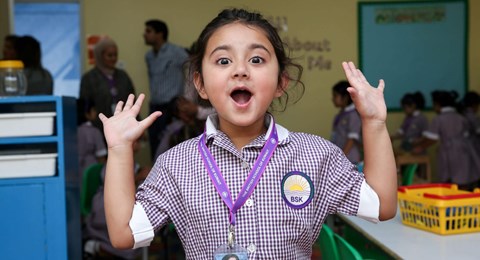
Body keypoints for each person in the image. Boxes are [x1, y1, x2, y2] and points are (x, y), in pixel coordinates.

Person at [100, 8, 397, 259]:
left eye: (256, 59)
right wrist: (119, 150)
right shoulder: (175, 164)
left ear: (281, 82)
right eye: (223, 60)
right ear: (200, 84)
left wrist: (374, 123)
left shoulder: (316, 155)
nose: (240, 70)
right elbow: (124, 234)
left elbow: (382, 206)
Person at [413, 90, 480, 190]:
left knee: (450, 178)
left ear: (437, 105)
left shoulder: (439, 119)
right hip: (465, 150)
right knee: (464, 176)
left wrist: (420, 147)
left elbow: (432, 139)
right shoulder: (460, 117)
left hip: (449, 151)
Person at [143, 19, 189, 160]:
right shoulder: (149, 56)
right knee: (155, 147)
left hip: (171, 109)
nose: (144, 34)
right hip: (154, 106)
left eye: (148, 31)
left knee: (170, 148)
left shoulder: (177, 52)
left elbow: (194, 63)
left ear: (160, 34)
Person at [79, 37, 136, 133]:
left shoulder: (123, 75)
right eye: (109, 55)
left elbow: (133, 100)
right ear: (100, 56)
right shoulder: (89, 78)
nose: (113, 58)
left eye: (115, 55)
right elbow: (85, 106)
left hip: (123, 128)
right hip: (99, 129)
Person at [76, 98, 107, 186]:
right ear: (86, 113)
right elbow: (101, 157)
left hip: (75, 172)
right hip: (91, 172)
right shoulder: (94, 131)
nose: (95, 112)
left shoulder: (72, 131)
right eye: (93, 110)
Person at [331, 80, 362, 164]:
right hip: (341, 157)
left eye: (335, 96)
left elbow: (352, 139)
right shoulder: (341, 114)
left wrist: (342, 156)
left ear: (345, 97)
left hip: (350, 158)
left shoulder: (353, 114)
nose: (332, 99)